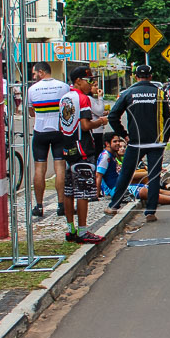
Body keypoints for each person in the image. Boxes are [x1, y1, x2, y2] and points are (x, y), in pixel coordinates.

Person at [105, 64, 170, 223]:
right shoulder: (159, 93)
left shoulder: (128, 93)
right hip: (156, 142)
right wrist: (165, 139)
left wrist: (124, 135)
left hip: (135, 143)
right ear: (150, 76)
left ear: (136, 76)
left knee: (126, 174)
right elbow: (168, 118)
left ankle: (114, 205)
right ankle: (150, 212)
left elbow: (113, 116)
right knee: (154, 176)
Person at [58, 67, 108, 243]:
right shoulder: (83, 98)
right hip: (83, 149)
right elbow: (86, 125)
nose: (91, 84)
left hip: (68, 147)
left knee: (69, 191)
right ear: (78, 81)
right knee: (83, 192)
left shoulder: (65, 98)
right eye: (88, 80)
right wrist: (101, 121)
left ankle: (70, 229)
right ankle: (82, 231)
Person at [26, 61, 70, 218]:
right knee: (60, 168)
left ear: (41, 72)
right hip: (59, 130)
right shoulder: (63, 87)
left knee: (39, 169)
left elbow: (32, 112)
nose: (34, 76)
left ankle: (38, 206)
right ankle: (61, 205)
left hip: (40, 130)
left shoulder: (32, 89)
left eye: (34, 73)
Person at [96, 135, 170, 206]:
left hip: (123, 185)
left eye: (118, 141)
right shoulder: (105, 156)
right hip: (115, 189)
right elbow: (98, 175)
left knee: (153, 189)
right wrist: (97, 195)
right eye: (115, 142)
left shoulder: (111, 155)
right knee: (143, 192)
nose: (118, 144)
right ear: (107, 144)